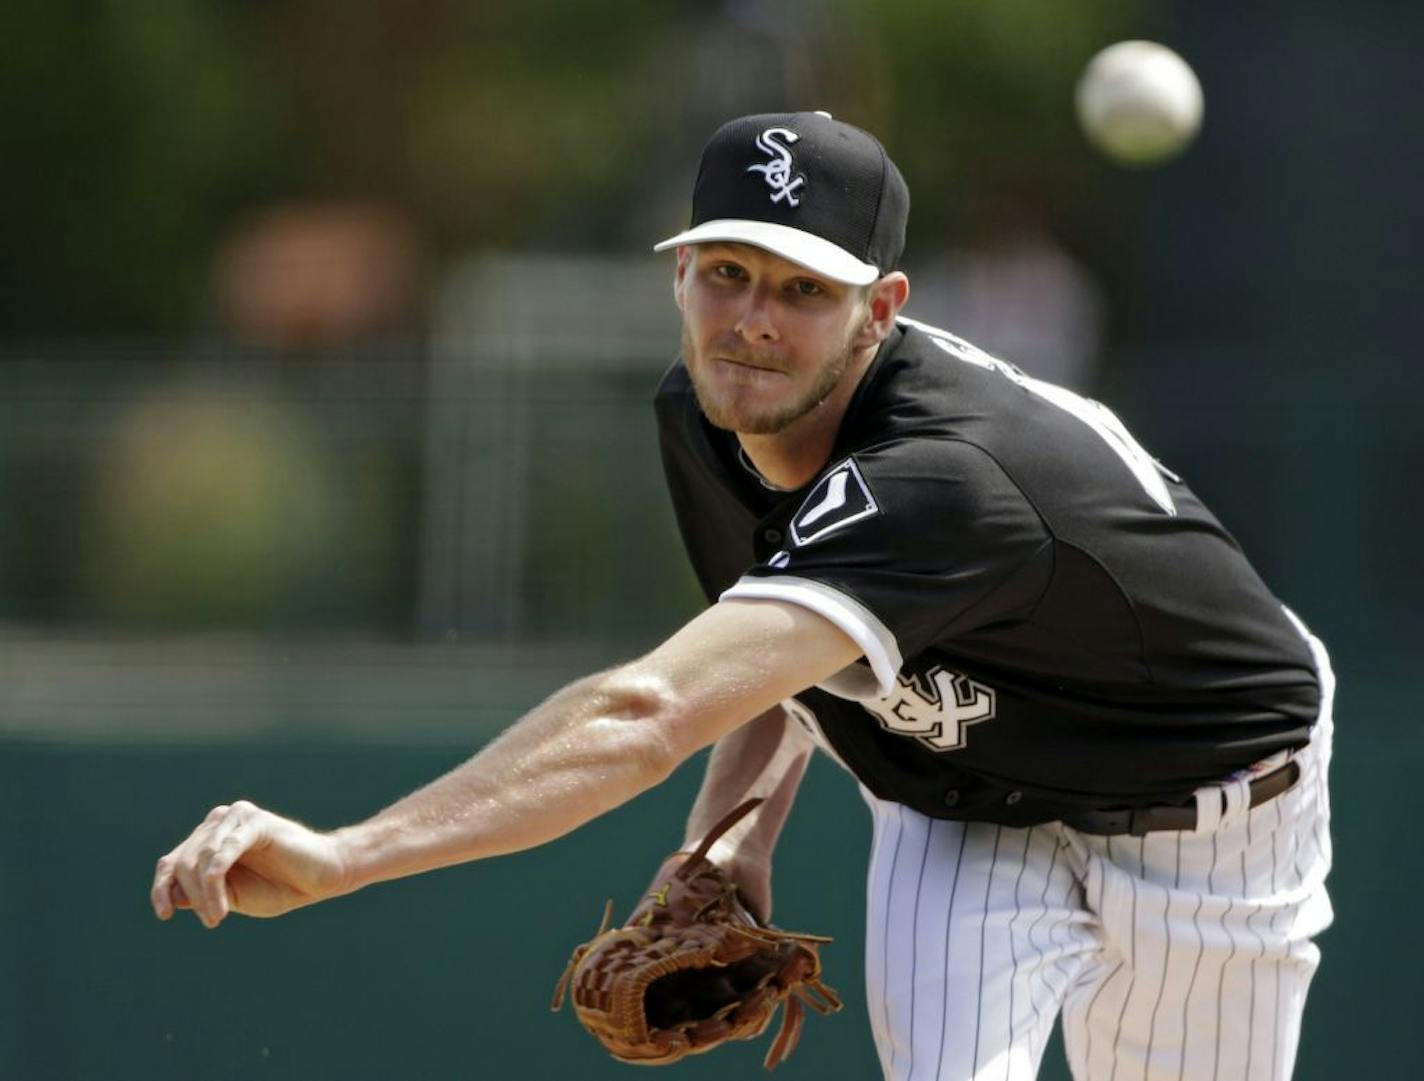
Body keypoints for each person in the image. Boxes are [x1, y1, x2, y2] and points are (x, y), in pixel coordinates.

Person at [151, 112, 1333, 1081]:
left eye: (801, 288)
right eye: (725, 272)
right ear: (678, 276)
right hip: (966, 799)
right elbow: (774, 651)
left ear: (880, 308)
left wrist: (346, 855)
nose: (752, 319)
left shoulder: (948, 477)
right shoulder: (712, 416)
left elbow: (643, 716)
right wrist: (732, 841)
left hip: (1203, 808)